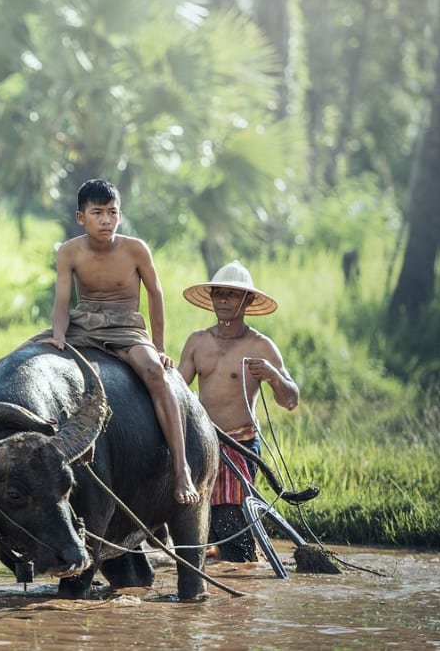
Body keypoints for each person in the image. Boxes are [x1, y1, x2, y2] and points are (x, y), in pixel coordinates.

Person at [34, 179, 199, 505]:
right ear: (81, 217)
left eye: (112, 213)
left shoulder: (135, 248)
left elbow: (155, 294)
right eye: (97, 213)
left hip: (125, 326)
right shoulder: (70, 251)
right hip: (84, 323)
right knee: (11, 362)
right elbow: (62, 302)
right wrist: (57, 335)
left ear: (120, 215)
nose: (106, 220)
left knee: (154, 373)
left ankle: (182, 469)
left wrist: (160, 346)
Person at [176, 260, 299, 562]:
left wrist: (272, 375)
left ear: (248, 300)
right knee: (200, 526)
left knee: (231, 521)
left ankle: (244, 571)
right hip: (202, 444)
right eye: (219, 294)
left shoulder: (260, 346)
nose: (224, 301)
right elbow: (178, 390)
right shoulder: (197, 342)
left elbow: (291, 400)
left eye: (232, 295)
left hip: (239, 445)